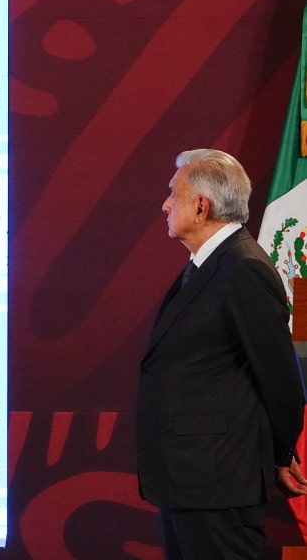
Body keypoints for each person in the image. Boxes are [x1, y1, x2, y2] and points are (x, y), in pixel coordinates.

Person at [137, 149, 307, 559]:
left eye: (173, 194)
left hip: (218, 483)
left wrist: (281, 455)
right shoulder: (209, 263)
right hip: (191, 480)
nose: (164, 204)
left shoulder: (243, 269)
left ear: (201, 206)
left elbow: (282, 379)